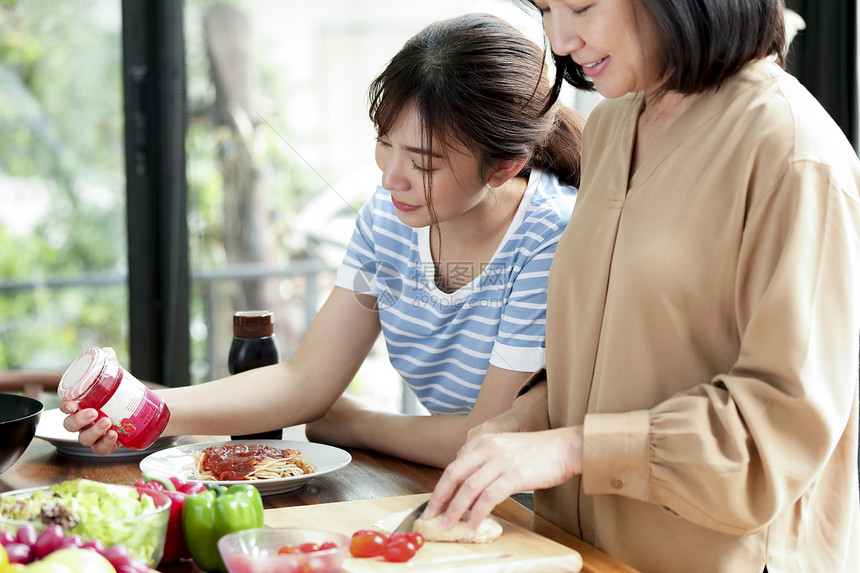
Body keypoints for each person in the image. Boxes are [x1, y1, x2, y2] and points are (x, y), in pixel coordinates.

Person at [426, 1, 860, 572]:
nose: (559, 41)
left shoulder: (793, 152)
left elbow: (776, 430)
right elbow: (605, 350)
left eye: (581, 6)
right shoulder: (611, 124)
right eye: (546, 9)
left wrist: (574, 449)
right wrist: (524, 419)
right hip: (578, 554)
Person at [60, 13, 584, 469]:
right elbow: (307, 380)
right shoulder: (389, 218)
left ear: (505, 166)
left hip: (540, 501)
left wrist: (354, 424)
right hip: (446, 479)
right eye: (384, 142)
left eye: (423, 163)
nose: (390, 178)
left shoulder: (549, 238)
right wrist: (156, 409)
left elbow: (486, 437)